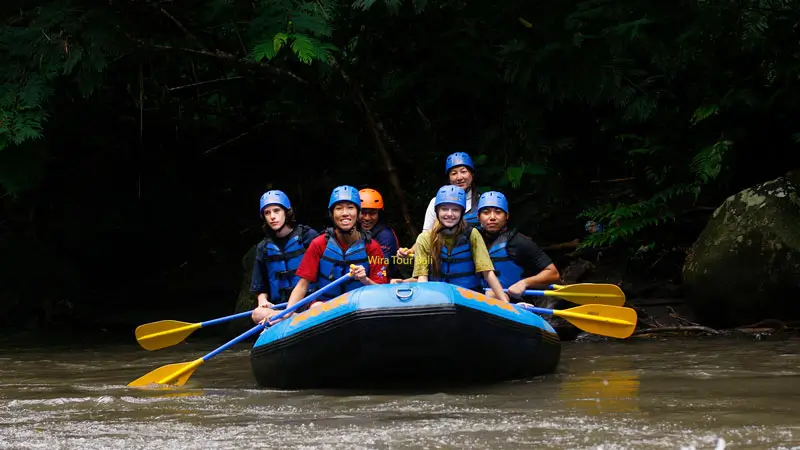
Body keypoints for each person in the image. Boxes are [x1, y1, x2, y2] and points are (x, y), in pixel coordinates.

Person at [258, 185, 389, 323]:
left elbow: (381, 291)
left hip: (359, 308)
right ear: (332, 214)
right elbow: (302, 285)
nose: (345, 213)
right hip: (326, 309)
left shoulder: (373, 247)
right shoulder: (318, 244)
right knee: (316, 306)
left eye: (350, 207)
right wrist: (285, 315)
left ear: (358, 213)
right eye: (339, 208)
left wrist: (365, 280)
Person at [402, 185, 508, 301]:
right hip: (439, 297)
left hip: (469, 297)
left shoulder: (472, 234)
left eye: (455, 210)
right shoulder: (425, 238)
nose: (450, 214)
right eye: (444, 209)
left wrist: (504, 301)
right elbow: (422, 277)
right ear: (437, 211)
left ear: (462, 213)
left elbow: (487, 272)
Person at [476, 191, 561, 301]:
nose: (492, 217)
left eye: (498, 212)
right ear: (478, 217)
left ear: (506, 216)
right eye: (486, 213)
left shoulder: (519, 242)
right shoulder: (472, 240)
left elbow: (553, 274)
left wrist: (525, 283)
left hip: (517, 303)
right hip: (481, 300)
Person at [250, 190, 319, 323]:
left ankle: (285, 318)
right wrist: (262, 301)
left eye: (276, 211)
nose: (272, 217)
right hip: (280, 306)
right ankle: (289, 318)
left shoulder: (307, 236)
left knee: (318, 307)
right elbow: (261, 287)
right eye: (267, 213)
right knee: (257, 314)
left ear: (287, 212)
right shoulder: (263, 247)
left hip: (308, 302)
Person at [397, 152, 480, 259]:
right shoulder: (436, 202)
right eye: (454, 173)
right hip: (442, 261)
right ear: (449, 178)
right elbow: (427, 235)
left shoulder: (483, 203)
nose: (459, 177)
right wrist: (409, 252)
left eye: (463, 172)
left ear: (472, 175)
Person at [358, 188, 402, 278]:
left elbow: (381, 268)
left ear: (379, 213)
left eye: (372, 213)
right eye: (363, 212)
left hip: (385, 284)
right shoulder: (352, 230)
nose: (367, 218)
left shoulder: (385, 235)